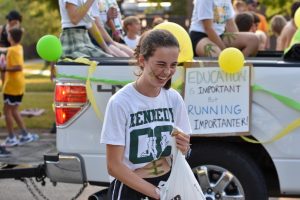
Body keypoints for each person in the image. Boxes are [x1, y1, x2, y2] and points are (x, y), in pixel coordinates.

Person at [100, 29, 191, 199]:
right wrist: (158, 194)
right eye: (161, 64)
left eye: (173, 65)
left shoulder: (174, 99)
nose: (167, 72)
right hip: (131, 189)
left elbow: (183, 151)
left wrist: (185, 147)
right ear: (142, 61)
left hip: (168, 183)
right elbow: (114, 165)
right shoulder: (120, 102)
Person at [1, 28, 39, 147]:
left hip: (12, 85)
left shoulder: (12, 50)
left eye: (8, 34)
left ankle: (12, 138)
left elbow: (18, 67)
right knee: (14, 110)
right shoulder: (19, 48)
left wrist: (4, 68)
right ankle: (25, 135)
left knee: (6, 111)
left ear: (10, 37)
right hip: (19, 84)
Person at [189, 0, 259, 57]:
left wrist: (238, 47)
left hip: (220, 35)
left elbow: (230, 24)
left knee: (253, 40)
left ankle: (239, 69)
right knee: (217, 55)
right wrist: (226, 53)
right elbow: (208, 28)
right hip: (200, 36)